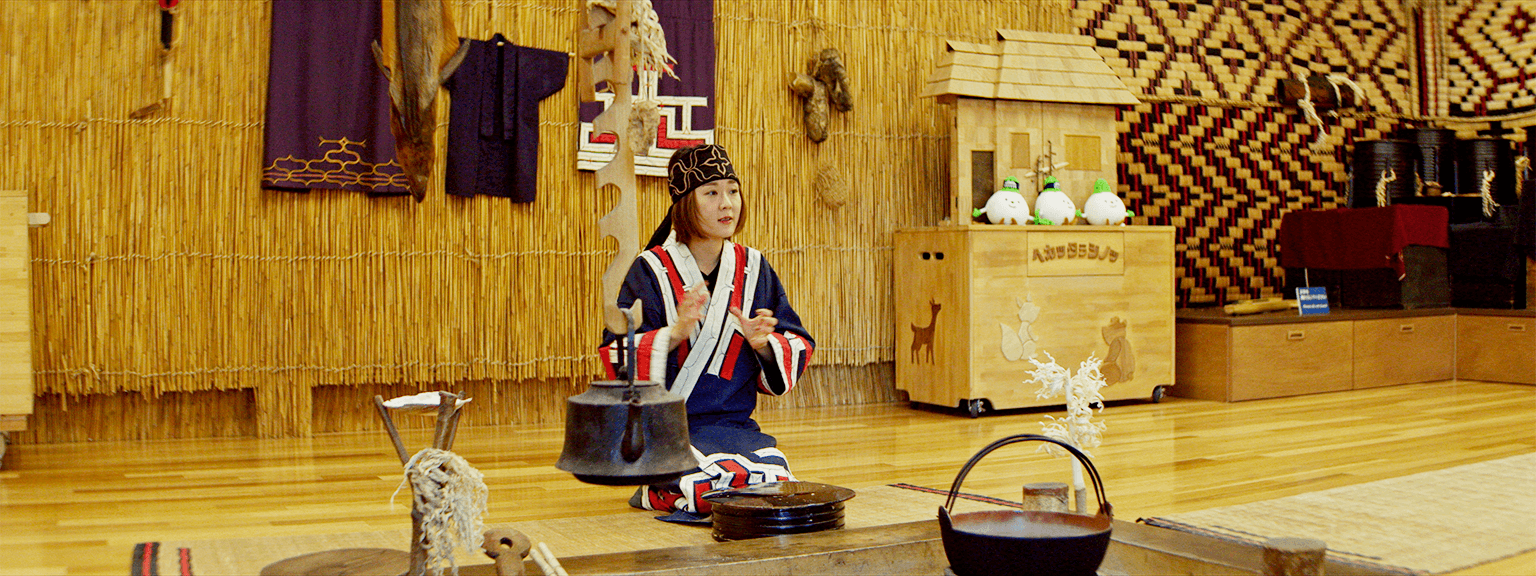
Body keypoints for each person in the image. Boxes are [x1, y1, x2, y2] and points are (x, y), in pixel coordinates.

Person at [599, 144, 815, 522]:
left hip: (735, 427)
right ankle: (656, 485)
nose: (727, 204)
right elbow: (616, 353)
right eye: (711, 193)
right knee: (706, 491)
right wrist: (676, 333)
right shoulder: (649, 270)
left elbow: (798, 340)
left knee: (771, 481)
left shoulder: (754, 267)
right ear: (685, 203)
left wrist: (763, 344)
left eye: (732, 190)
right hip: (670, 429)